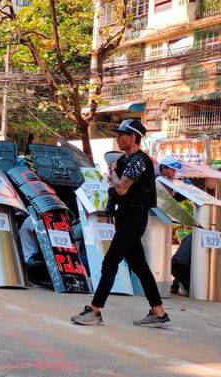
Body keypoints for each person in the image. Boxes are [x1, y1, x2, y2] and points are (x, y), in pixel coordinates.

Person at [71, 119, 171, 327]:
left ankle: (95, 310)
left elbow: (121, 189)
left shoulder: (138, 161)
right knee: (140, 266)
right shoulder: (129, 159)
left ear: (132, 137)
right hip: (127, 217)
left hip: (133, 219)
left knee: (110, 262)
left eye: (121, 135)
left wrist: (113, 175)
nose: (117, 139)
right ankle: (159, 312)